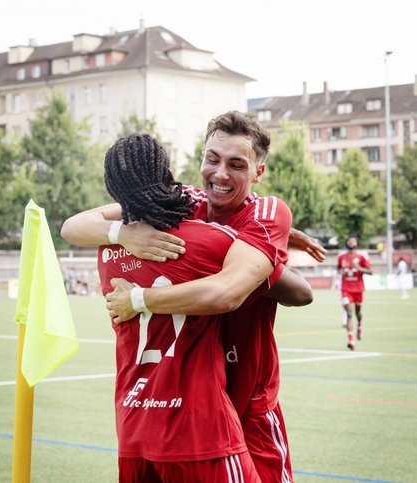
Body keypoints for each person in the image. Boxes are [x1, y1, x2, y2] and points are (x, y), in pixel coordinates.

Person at [63, 111, 322, 483]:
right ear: (201, 157)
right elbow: (73, 225)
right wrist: (125, 233)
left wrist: (139, 298)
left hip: (248, 400)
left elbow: (265, 292)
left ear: (258, 173)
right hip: (195, 404)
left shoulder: (265, 213)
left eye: (236, 165)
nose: (220, 174)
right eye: (212, 159)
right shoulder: (184, 201)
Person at [95, 133, 281, 481]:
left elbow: (73, 225)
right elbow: (291, 288)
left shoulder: (105, 252)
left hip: (134, 425)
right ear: (168, 176)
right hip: (198, 427)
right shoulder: (209, 240)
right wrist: (277, 247)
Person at [337, 235, 372, 351]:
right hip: (346, 289)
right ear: (346, 243)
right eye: (349, 241)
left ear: (357, 243)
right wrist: (341, 272)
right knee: (349, 313)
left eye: (353, 241)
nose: (351, 243)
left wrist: (359, 268)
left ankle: (360, 325)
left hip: (358, 289)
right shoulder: (342, 257)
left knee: (358, 312)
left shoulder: (361, 257)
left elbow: (370, 271)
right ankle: (351, 341)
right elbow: (338, 269)